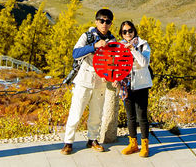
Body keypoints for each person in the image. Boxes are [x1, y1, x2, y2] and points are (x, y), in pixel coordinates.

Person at [61, 8, 116, 155]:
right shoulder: (87, 36)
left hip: (101, 81)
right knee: (76, 111)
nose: (104, 24)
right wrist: (93, 46)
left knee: (97, 113)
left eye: (108, 21)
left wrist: (110, 75)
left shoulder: (113, 41)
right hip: (84, 79)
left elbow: (114, 62)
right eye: (102, 21)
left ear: (111, 24)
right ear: (96, 21)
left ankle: (92, 139)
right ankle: (68, 142)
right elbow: (75, 53)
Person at [118, 20, 152, 158]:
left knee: (142, 116)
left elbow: (144, 63)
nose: (128, 34)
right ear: (121, 33)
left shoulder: (143, 44)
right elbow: (116, 66)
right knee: (130, 116)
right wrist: (116, 80)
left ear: (134, 31)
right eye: (124, 31)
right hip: (126, 86)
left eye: (130, 30)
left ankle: (145, 146)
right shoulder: (119, 46)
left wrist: (132, 49)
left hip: (141, 84)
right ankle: (133, 144)